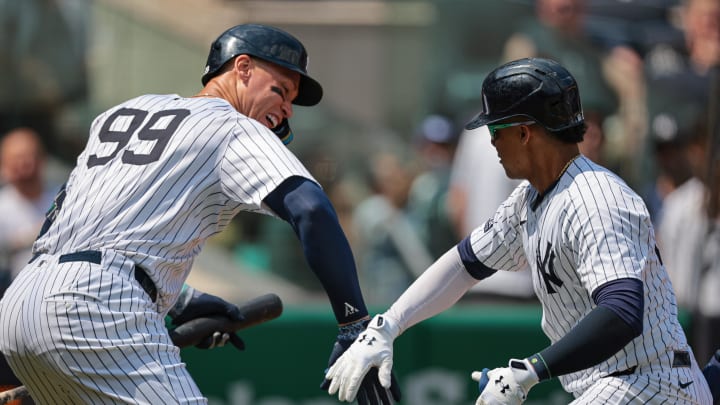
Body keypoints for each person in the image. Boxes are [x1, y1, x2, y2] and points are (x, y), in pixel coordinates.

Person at [0, 23, 400, 404]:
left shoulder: (125, 112)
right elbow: (312, 210)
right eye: (281, 90)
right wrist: (354, 323)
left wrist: (180, 300)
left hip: (21, 302)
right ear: (242, 67)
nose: (287, 109)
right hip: (95, 303)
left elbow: (94, 224)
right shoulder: (232, 125)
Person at [323, 58, 712, 404]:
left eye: (496, 128)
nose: (491, 140)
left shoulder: (597, 199)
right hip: (616, 386)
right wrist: (388, 324)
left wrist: (529, 370)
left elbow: (623, 311)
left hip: (653, 385)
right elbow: (464, 264)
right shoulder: (531, 198)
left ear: (525, 133)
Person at [0, 128, 58, 291]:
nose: (23, 165)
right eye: (15, 159)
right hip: (15, 295)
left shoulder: (63, 198)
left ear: (42, 159)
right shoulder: (2, 208)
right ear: (4, 165)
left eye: (28, 157)